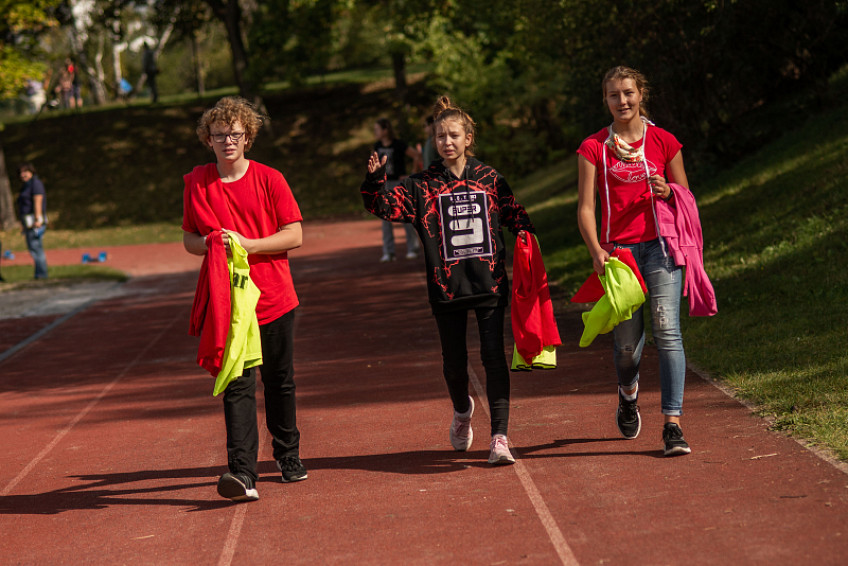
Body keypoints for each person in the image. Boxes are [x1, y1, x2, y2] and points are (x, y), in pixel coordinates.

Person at [361, 96, 536, 465]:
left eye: (454, 135)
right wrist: (375, 181)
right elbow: (382, 206)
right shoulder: (420, 185)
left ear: (468, 138)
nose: (447, 142)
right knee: (455, 364)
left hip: (489, 284)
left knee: (493, 357)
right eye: (440, 136)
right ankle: (462, 411)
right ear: (434, 141)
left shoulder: (490, 178)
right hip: (446, 287)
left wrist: (526, 238)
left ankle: (499, 438)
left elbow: (515, 214)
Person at [182, 96, 307, 502]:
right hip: (229, 303)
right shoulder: (198, 182)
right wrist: (209, 243)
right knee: (237, 383)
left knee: (278, 381)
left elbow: (294, 234)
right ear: (208, 139)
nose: (227, 141)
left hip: (273, 296)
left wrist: (248, 245)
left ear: (248, 137)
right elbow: (188, 239)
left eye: (235, 134)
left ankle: (288, 455)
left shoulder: (270, 178)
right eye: (219, 135)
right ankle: (242, 473)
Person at [576, 66, 693, 456]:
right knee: (627, 346)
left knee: (667, 330)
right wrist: (596, 250)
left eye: (628, 92)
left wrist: (669, 191)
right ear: (605, 100)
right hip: (619, 255)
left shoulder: (664, 141)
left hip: (661, 247)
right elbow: (586, 207)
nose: (622, 100)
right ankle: (628, 394)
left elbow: (685, 196)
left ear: (641, 94)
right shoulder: (593, 147)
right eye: (614, 94)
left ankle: (672, 426)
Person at [373, 118, 421, 262]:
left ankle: (412, 249)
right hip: (384, 184)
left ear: (385, 130)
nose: (375, 132)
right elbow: (374, 163)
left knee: (405, 215)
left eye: (377, 129)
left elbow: (416, 155)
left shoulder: (398, 144)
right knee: (385, 218)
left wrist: (411, 173)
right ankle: (388, 252)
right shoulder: (377, 146)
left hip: (398, 184)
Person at [16, 163, 48, 280]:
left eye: (25, 172)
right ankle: (39, 274)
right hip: (28, 221)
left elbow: (38, 201)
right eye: (20, 172)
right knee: (33, 248)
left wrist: (37, 219)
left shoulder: (35, 184)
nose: (22, 175)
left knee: (36, 247)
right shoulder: (26, 185)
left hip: (34, 221)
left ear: (31, 172)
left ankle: (42, 274)